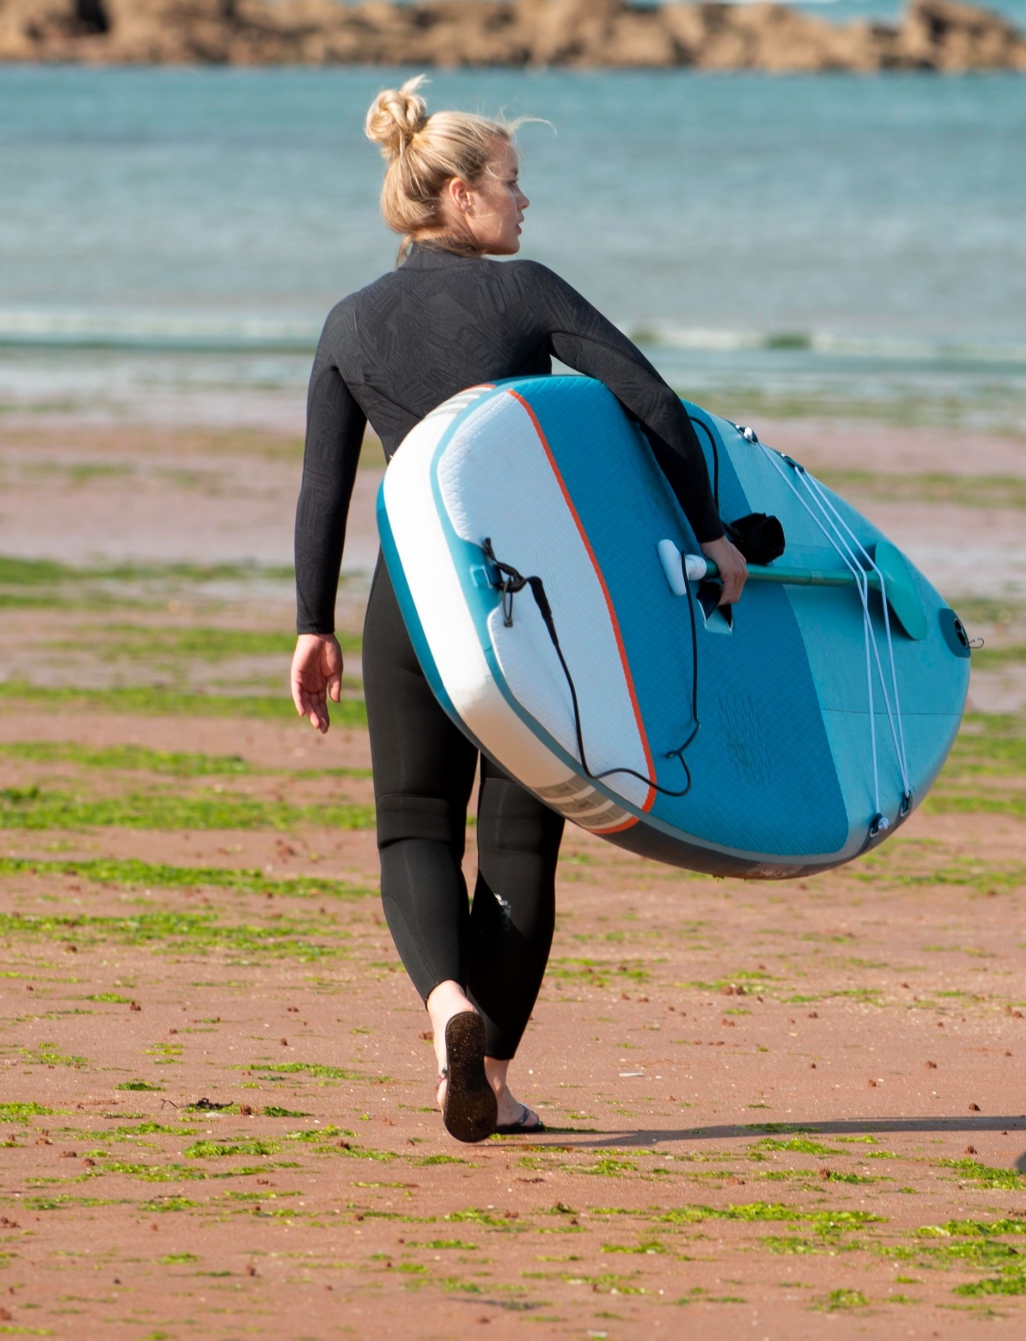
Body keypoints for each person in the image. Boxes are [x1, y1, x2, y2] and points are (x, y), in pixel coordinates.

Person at [288, 77, 747, 1143]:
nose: (524, 202)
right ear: (456, 196)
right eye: (509, 181)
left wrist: (311, 624)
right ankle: (489, 1079)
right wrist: (711, 531)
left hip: (407, 599)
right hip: (525, 603)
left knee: (411, 822)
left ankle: (443, 1002)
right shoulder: (523, 293)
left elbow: (324, 486)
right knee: (520, 845)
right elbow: (650, 403)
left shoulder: (350, 320)